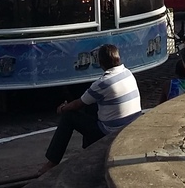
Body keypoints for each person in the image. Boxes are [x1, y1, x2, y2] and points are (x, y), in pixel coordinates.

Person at [38, 44, 141, 176]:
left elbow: (77, 104)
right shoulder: (127, 73)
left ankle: (52, 162)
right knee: (90, 105)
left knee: (69, 117)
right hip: (130, 126)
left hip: (111, 133)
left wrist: (63, 108)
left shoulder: (103, 83)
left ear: (100, 62)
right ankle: (88, 150)